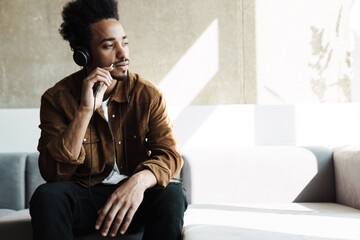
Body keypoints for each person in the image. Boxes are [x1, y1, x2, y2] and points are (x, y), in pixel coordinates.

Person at [29, 0, 187, 239]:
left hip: (135, 201)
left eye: (124, 42)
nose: (123, 54)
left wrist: (138, 181)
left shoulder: (147, 94)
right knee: (47, 196)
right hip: (86, 198)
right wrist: (84, 110)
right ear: (84, 55)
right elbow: (53, 174)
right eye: (109, 46)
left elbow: (171, 155)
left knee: (173, 194)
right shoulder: (56, 99)